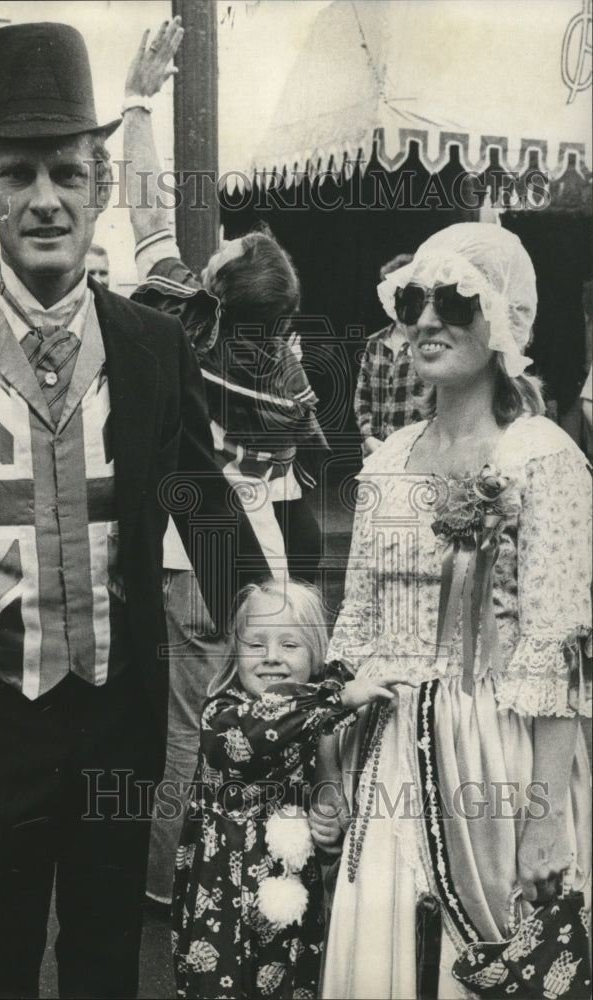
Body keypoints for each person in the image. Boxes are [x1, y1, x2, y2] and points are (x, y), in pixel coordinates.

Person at [0, 22, 268, 1000]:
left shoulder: (154, 345)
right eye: (17, 172)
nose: (43, 198)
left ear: (100, 185)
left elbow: (196, 488)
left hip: (115, 718)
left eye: (66, 172)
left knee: (107, 965)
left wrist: (264, 604)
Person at [310, 223, 592, 998]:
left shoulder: (541, 455)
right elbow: (355, 627)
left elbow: (557, 647)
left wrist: (544, 820)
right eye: (411, 301)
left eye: (454, 300)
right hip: (389, 749)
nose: (426, 319)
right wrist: (330, 763)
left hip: (496, 756)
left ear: (501, 320)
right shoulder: (388, 459)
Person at [121, 17, 330, 908]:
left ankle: (170, 881)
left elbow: (143, 206)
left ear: (217, 282)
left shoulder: (178, 317)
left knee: (182, 725)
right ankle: (258, 863)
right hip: (261, 565)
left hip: (183, 555)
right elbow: (306, 474)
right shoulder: (289, 370)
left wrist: (137, 97)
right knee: (263, 710)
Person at [171, 579, 409, 999]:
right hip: (225, 890)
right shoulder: (222, 713)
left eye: (289, 645)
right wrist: (336, 701)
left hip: (293, 885)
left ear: (316, 653)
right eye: (256, 645)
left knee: (295, 979)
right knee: (220, 981)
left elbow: (327, 790)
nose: (272, 658)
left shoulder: (320, 716)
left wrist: (329, 825)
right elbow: (261, 729)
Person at [354, 253, 424, 455]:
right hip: (376, 451)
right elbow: (362, 396)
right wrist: (368, 437)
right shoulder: (375, 343)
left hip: (414, 452)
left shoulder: (427, 344)